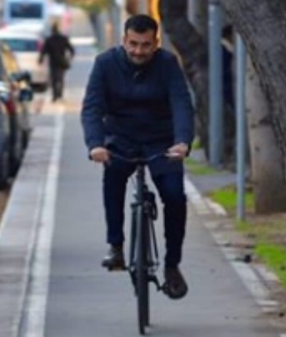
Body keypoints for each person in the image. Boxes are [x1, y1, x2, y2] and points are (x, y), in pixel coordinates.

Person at [80, 14, 194, 300]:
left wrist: (182, 142)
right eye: (133, 44)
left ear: (155, 43)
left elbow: (181, 103)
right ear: (123, 40)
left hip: (161, 140)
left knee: (175, 197)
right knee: (114, 179)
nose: (138, 51)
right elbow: (92, 108)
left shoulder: (167, 63)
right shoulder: (105, 64)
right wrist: (95, 145)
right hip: (120, 140)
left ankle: (172, 264)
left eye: (145, 45)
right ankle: (116, 246)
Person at [39, 22, 75, 102]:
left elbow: (44, 51)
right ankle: (59, 94)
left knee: (54, 78)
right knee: (60, 78)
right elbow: (71, 49)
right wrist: (71, 56)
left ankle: (55, 95)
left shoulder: (49, 40)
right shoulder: (63, 38)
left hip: (53, 62)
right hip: (61, 61)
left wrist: (40, 59)